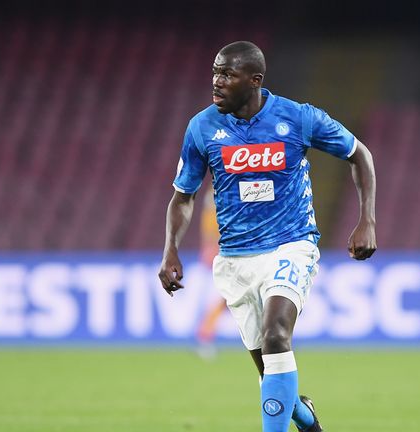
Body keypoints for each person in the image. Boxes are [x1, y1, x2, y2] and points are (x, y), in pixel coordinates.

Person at [158, 41, 376, 432]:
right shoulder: (202, 127)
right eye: (215, 72)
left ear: (254, 80)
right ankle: (306, 418)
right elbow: (183, 196)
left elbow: (360, 155)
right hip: (236, 259)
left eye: (227, 74)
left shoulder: (298, 118)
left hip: (291, 244)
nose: (216, 82)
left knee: (277, 334)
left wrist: (367, 220)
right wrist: (170, 249)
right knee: (270, 370)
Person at [195, 186, 228, 359]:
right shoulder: (219, 191)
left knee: (224, 300)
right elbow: (211, 229)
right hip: (220, 256)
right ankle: (204, 337)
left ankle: (205, 336)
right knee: (220, 298)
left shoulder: (218, 190)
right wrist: (210, 247)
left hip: (223, 254)